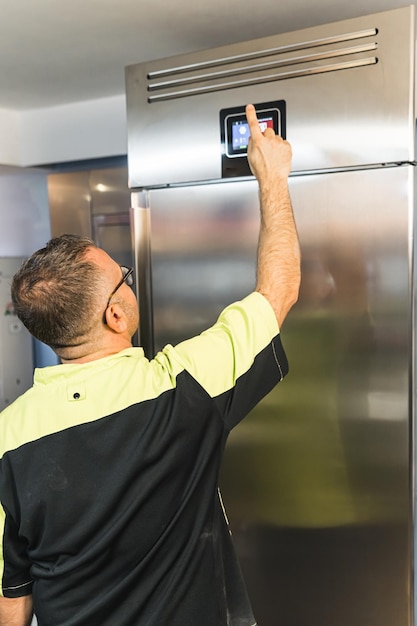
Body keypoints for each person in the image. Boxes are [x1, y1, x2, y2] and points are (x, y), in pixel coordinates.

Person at [0, 104, 300, 626]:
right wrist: (272, 177)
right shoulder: (180, 389)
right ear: (116, 314)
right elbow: (278, 292)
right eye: (126, 277)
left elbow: (13, 591)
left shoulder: (8, 437)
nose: (131, 281)